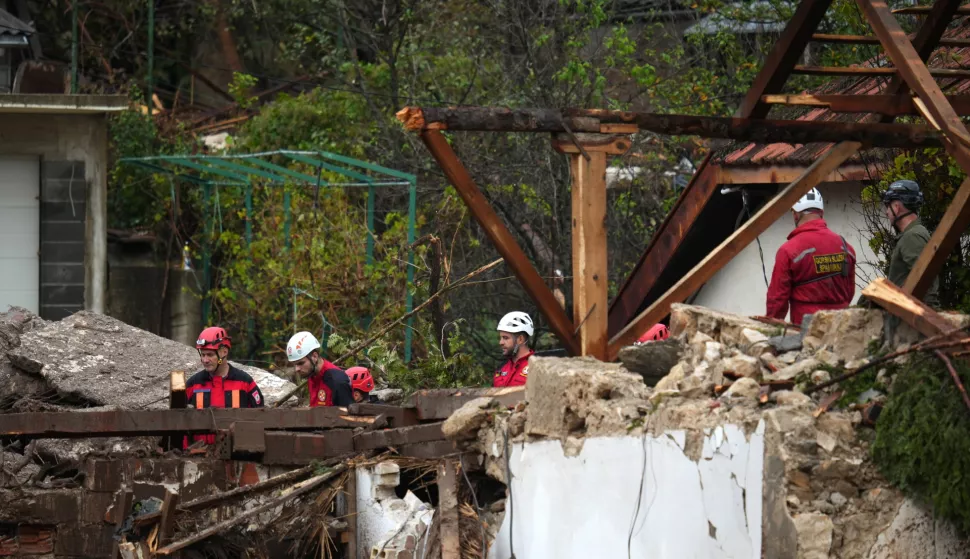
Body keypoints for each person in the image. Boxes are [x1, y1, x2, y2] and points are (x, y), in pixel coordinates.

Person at [766, 188, 857, 327]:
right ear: (821, 212)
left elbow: (777, 300)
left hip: (805, 332)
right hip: (840, 330)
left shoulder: (788, 251)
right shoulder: (847, 248)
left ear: (796, 215)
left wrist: (771, 329)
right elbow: (849, 293)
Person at [185, 326, 265, 446]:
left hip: (238, 454)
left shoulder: (245, 383)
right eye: (203, 354)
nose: (205, 360)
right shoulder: (192, 384)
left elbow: (259, 419)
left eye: (210, 355)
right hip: (199, 455)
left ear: (224, 352)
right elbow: (179, 422)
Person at [883, 179, 939, 306]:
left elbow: (926, 282)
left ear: (896, 208)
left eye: (888, 206)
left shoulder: (912, 236)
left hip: (915, 318)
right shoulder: (913, 233)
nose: (886, 212)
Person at [286, 331, 353, 407]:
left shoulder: (337, 381)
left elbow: (348, 417)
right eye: (294, 365)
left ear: (315, 356)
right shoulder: (312, 375)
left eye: (301, 363)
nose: (296, 369)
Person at [494, 312, 534, 388]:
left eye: (506, 338)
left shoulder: (537, 367)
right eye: (501, 338)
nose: (501, 342)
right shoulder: (501, 367)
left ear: (520, 339)